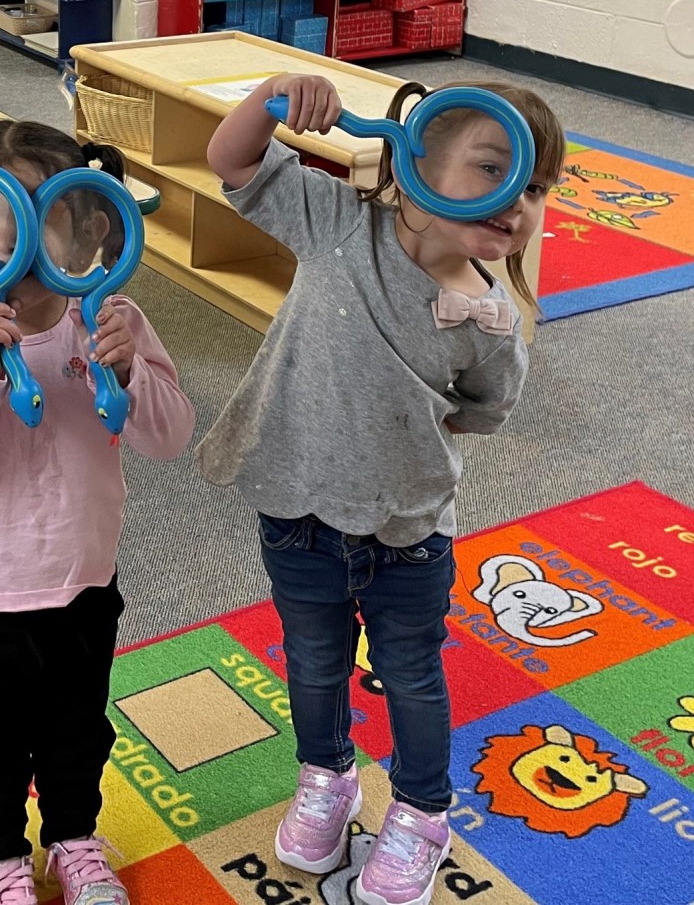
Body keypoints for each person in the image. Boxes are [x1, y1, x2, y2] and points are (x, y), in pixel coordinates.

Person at [198, 74, 564, 905]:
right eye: (497, 168)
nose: (520, 201)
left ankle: (422, 813)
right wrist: (276, 97)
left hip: (409, 536)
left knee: (411, 674)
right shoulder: (332, 223)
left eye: (538, 186)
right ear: (414, 159)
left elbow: (482, 415)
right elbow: (230, 158)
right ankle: (325, 777)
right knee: (314, 662)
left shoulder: (492, 322)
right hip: (297, 514)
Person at [0, 121, 195, 905]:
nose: (9, 247)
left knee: (77, 733)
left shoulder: (107, 323)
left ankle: (73, 839)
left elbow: (170, 439)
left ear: (87, 229)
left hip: (84, 586)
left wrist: (129, 373)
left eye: (36, 218)